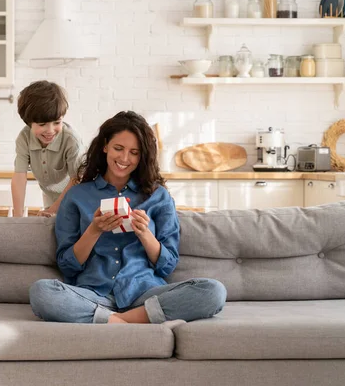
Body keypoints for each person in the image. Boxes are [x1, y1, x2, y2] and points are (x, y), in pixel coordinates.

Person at [29, 111, 226, 324]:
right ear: (105, 146)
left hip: (145, 294)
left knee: (213, 291)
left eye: (134, 152)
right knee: (41, 292)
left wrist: (145, 233)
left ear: (143, 156)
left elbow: (167, 266)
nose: (124, 159)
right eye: (118, 148)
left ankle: (115, 321)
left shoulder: (158, 196)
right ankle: (133, 320)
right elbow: (67, 266)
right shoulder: (77, 196)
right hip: (94, 294)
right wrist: (93, 231)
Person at [11, 81, 83, 217]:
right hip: (50, 196)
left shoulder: (71, 140)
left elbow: (77, 180)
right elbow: (19, 177)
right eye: (42, 124)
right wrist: (17, 217)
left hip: (77, 195)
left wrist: (53, 209)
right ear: (29, 123)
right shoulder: (24, 138)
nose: (50, 130)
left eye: (57, 122)